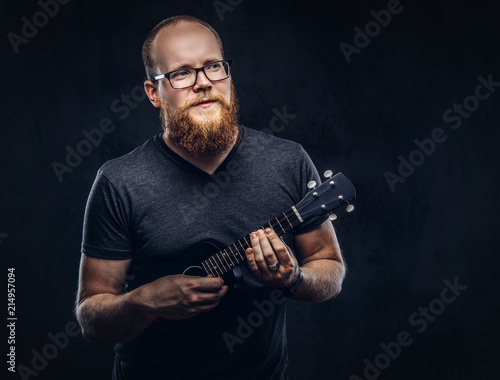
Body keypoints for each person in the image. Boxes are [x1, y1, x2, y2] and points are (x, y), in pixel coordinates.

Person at [76, 15, 345, 380]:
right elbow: (92, 316)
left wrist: (294, 278)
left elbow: (329, 266)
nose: (203, 83)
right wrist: (145, 302)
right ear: (154, 93)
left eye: (213, 67)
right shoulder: (119, 181)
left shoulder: (288, 161)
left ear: (228, 77)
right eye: (182, 73)